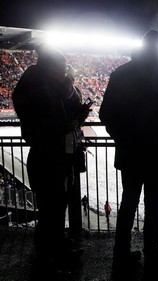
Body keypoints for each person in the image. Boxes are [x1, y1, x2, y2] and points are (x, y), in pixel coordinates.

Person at [99, 29, 158, 279]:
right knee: (154, 208)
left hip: (130, 154)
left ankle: (121, 255)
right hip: (157, 155)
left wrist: (123, 138)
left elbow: (105, 115)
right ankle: (152, 255)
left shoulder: (120, 73)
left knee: (128, 205)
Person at [11, 43, 90, 275]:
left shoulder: (56, 86)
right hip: (47, 156)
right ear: (50, 67)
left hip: (62, 155)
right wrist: (67, 124)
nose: (65, 71)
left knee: (58, 207)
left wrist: (78, 115)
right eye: (62, 66)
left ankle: (58, 249)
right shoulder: (37, 86)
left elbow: (65, 113)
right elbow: (41, 122)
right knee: (49, 211)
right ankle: (45, 258)